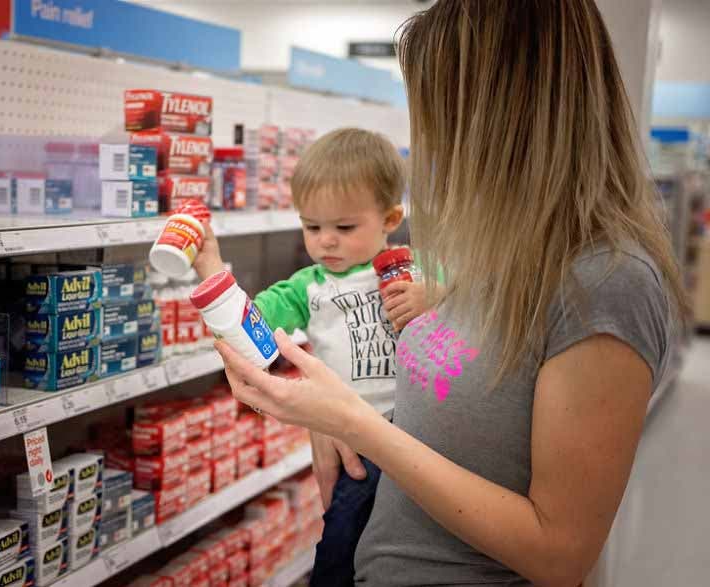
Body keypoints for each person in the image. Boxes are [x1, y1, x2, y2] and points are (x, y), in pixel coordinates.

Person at [214, 1, 687, 586]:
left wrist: (359, 426)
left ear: (508, 117)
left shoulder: (606, 282)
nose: (432, 143)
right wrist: (336, 414)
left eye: (440, 113)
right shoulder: (504, 252)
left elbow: (559, 553)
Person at [193, 128, 429, 585]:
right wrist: (210, 269)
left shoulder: (419, 269)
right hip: (353, 445)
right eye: (312, 226)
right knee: (340, 547)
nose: (326, 242)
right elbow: (250, 326)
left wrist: (433, 296)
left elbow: (473, 308)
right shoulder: (308, 286)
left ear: (390, 217)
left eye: (344, 228)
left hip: (422, 432)